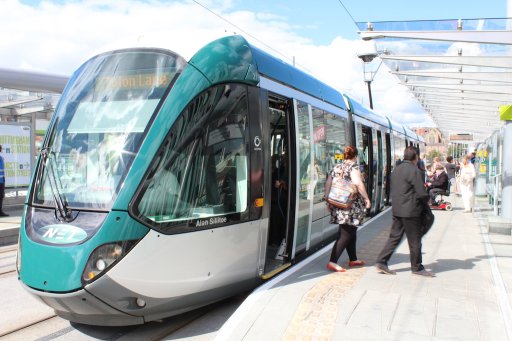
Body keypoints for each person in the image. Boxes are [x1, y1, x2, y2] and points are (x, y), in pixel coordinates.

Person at [375, 146, 434, 277]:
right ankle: (417, 267)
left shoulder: (397, 169)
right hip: (411, 211)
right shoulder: (414, 171)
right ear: (416, 157)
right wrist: (427, 199)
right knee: (415, 240)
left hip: (397, 209)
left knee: (394, 237)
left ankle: (381, 261)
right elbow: (420, 192)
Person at [325, 146, 371, 272]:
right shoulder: (354, 167)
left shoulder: (336, 167)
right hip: (350, 206)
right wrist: (366, 198)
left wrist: (327, 199)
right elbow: (358, 183)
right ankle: (333, 261)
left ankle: (353, 259)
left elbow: (329, 183)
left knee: (351, 231)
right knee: (346, 234)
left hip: (338, 203)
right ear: (355, 156)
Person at [0, 145, 7, 217]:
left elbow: (2, 171)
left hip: (1, 181)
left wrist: (4, 180)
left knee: (1, 197)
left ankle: (0, 211)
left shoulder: (1, 158)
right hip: (1, 181)